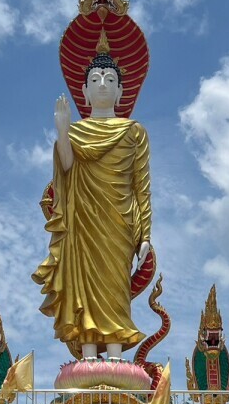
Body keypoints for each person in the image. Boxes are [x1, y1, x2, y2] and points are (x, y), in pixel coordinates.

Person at [32, 53, 151, 361]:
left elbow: (141, 186)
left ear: (121, 91)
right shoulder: (74, 132)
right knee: (82, 283)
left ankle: (114, 355)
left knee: (113, 285)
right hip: (83, 220)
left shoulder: (134, 132)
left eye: (110, 80)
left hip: (119, 221)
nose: (102, 85)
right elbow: (68, 169)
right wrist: (62, 131)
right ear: (83, 91)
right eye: (95, 80)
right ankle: (86, 354)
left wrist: (145, 235)